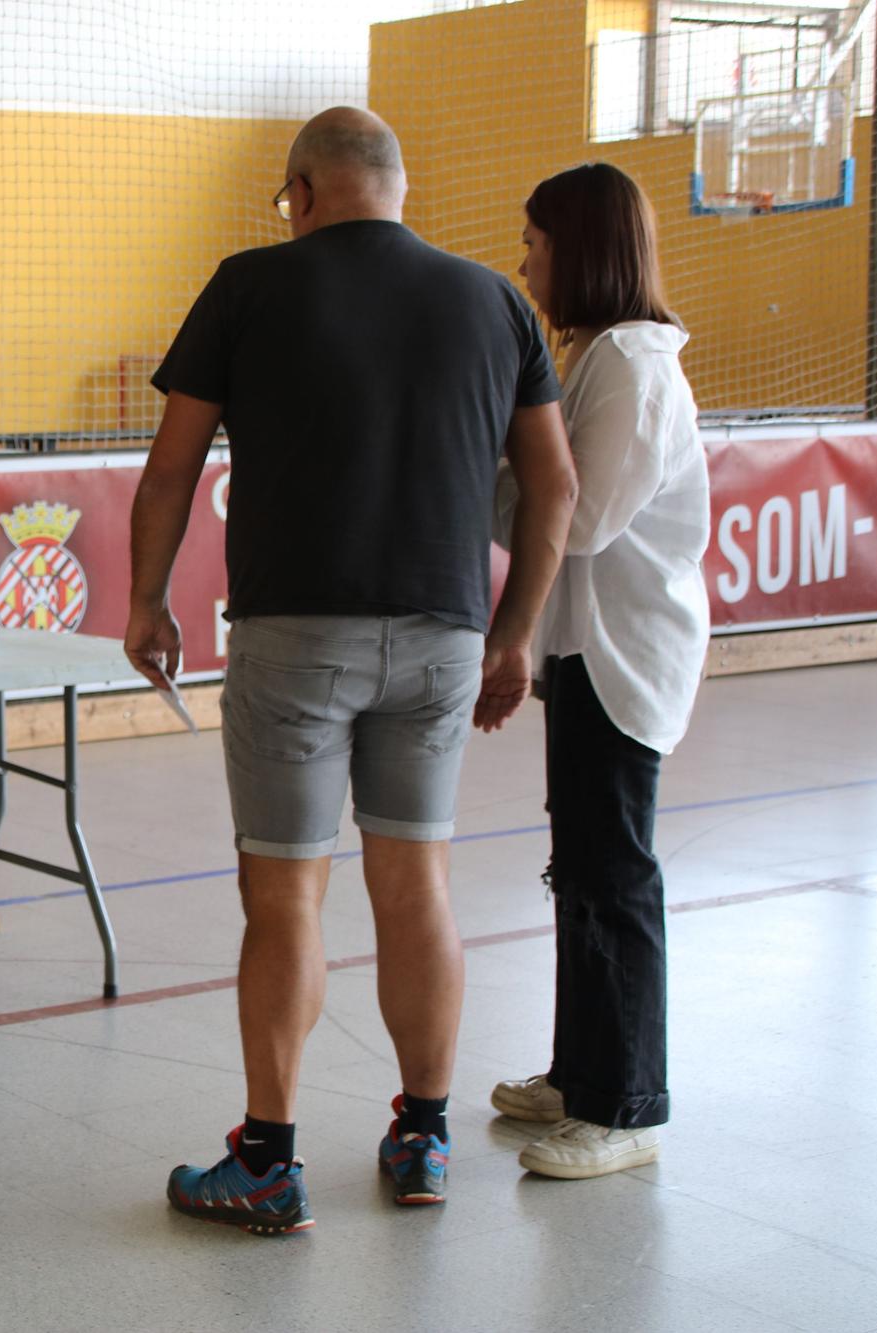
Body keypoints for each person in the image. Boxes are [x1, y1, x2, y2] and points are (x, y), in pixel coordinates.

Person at [126, 107, 578, 1229]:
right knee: (413, 885)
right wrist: (514, 630)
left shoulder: (246, 283)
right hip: (441, 635)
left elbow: (171, 467)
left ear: (301, 191)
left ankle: (270, 1161)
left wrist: (142, 600)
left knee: (282, 896)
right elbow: (554, 485)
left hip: (292, 639)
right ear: (396, 187)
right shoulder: (492, 300)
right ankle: (421, 1138)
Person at [490, 163, 709, 1179]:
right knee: (575, 870)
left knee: (613, 875)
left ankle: (625, 1107)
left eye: (535, 239)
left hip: (623, 656)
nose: (524, 257)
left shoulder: (627, 361)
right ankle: (579, 1074)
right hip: (581, 652)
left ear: (579, 246)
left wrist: (505, 472)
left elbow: (579, 516)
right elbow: (535, 501)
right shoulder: (593, 357)